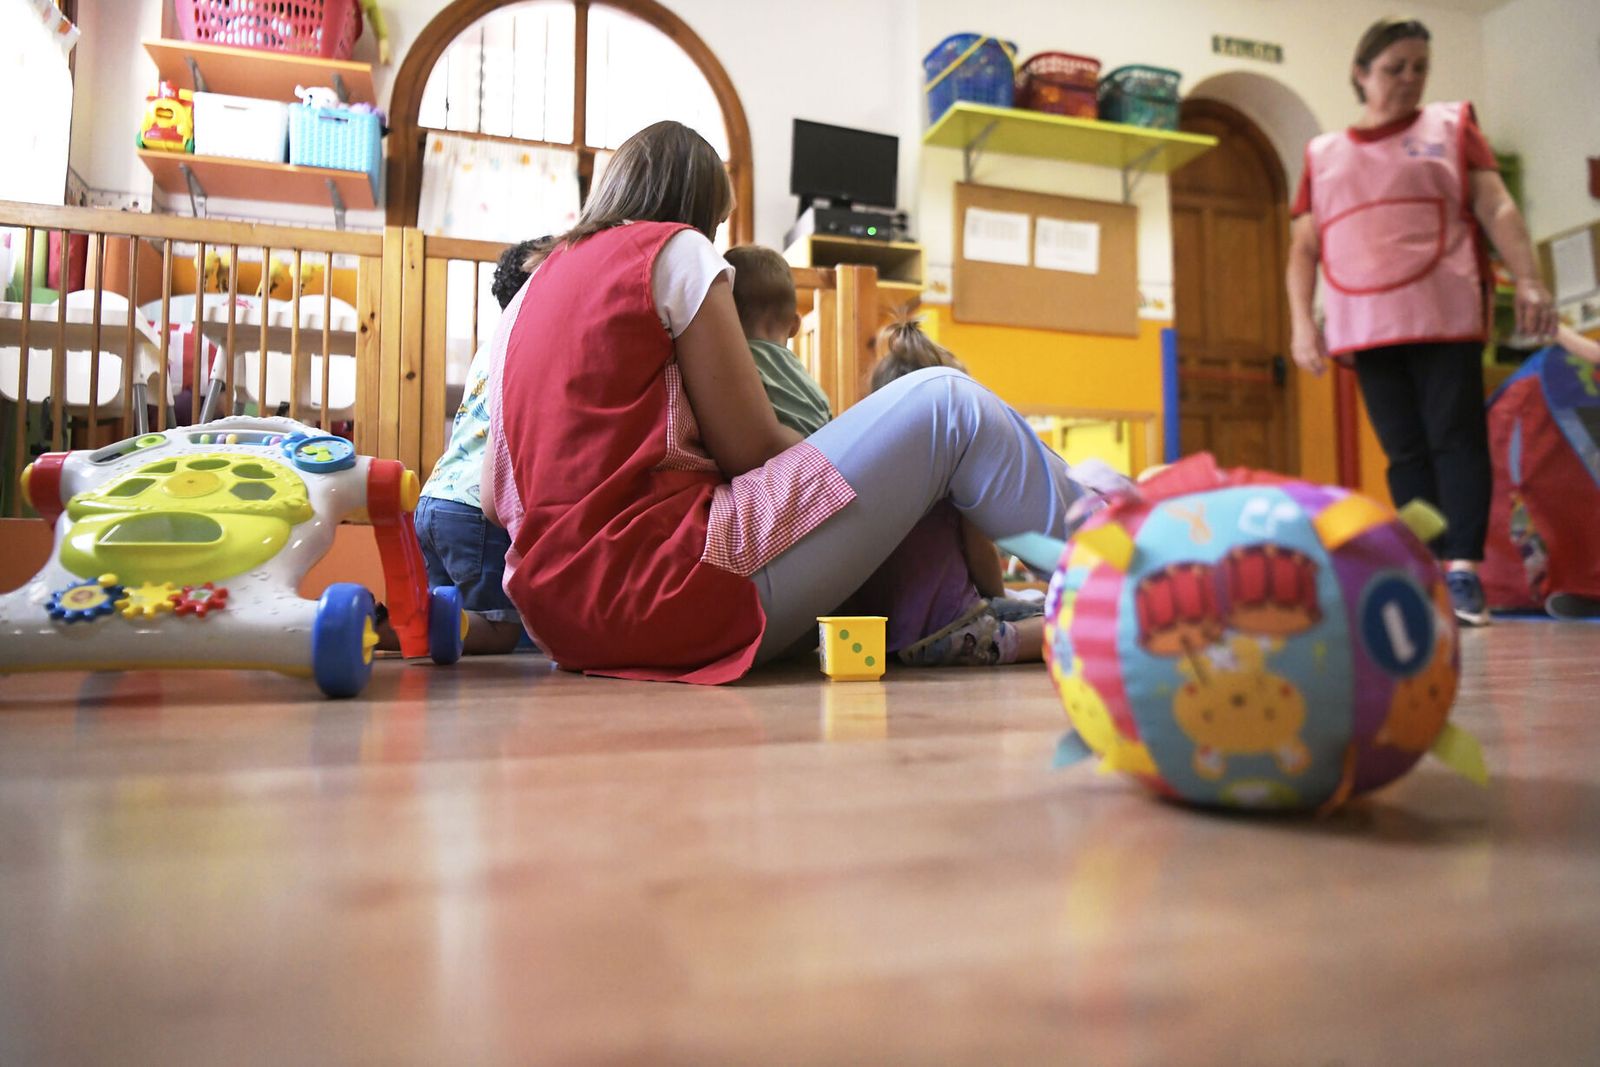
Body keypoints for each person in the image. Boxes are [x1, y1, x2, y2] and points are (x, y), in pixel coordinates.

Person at [481, 120, 1090, 683]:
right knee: (948, 403)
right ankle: (1130, 567)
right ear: (700, 212)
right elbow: (752, 449)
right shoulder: (675, 250)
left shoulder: (531, 287)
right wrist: (845, 455)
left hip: (558, 621)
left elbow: (493, 499)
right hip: (669, 593)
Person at [1286, 16, 1558, 628]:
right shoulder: (1323, 155)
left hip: (1444, 314)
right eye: (1393, 68)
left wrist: (1532, 278)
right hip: (1366, 325)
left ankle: (1464, 569)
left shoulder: (1453, 127)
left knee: (1455, 440)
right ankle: (1428, 566)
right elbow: (1304, 249)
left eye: (1419, 68)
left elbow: (1496, 205)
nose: (1408, 79)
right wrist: (1303, 325)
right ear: (1361, 74)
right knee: (1404, 452)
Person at [846, 318, 1047, 666]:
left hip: (883, 637)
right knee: (1067, 625)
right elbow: (983, 561)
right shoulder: (949, 473)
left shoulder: (868, 471)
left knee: (1029, 605)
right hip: (949, 632)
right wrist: (996, 599)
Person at [399, 236, 551, 655]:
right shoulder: (534, 344)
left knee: (444, 614)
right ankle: (391, 630)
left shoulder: (490, 347)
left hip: (433, 498)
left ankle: (402, 622)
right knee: (496, 628)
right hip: (471, 511)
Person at [722, 244, 833, 437]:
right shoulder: (812, 387)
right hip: (817, 458)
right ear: (795, 326)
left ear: (726, 317)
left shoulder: (736, 365)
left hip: (769, 460)